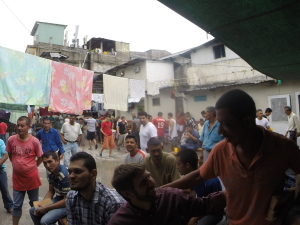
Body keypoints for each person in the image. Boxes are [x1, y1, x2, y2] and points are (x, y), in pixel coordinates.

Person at [162, 89, 300, 225]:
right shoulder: (220, 151)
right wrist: (161, 192)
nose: (220, 131)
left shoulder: (283, 147)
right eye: (219, 123)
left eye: (226, 124)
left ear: (247, 121)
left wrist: (294, 205)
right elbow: (199, 176)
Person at [108, 163, 226, 225]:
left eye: (149, 176)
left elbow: (206, 204)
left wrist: (234, 191)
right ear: (128, 194)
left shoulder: (172, 198)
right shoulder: (120, 221)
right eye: (143, 182)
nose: (152, 183)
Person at [66, 152, 126, 225]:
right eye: (69, 172)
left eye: (78, 171)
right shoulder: (71, 197)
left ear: (93, 174)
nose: (71, 176)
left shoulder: (112, 204)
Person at [6, 116, 43, 225]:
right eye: (18, 125)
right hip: (17, 179)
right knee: (17, 205)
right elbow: (9, 153)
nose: (19, 128)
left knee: (35, 204)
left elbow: (40, 156)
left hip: (32, 178)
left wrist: (33, 166)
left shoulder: (35, 141)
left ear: (29, 126)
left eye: (22, 126)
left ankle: (39, 222)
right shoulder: (11, 140)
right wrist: (16, 164)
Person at [176, 149, 223, 225]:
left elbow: (214, 206)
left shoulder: (210, 182)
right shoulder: (189, 178)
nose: (177, 167)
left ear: (187, 165)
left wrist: (195, 217)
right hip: (199, 207)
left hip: (212, 212)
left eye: (178, 164)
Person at [29, 150, 70, 225]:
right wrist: (42, 205)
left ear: (57, 161)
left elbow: (66, 201)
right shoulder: (50, 172)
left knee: (45, 221)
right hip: (59, 198)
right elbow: (51, 191)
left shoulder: (64, 175)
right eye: (45, 163)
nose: (47, 165)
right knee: (33, 210)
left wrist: (47, 208)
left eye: (50, 162)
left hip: (69, 203)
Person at [0, 138, 13, 214]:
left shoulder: (0, 141)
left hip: (1, 170)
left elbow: (5, 155)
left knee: (4, 189)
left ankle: (9, 205)